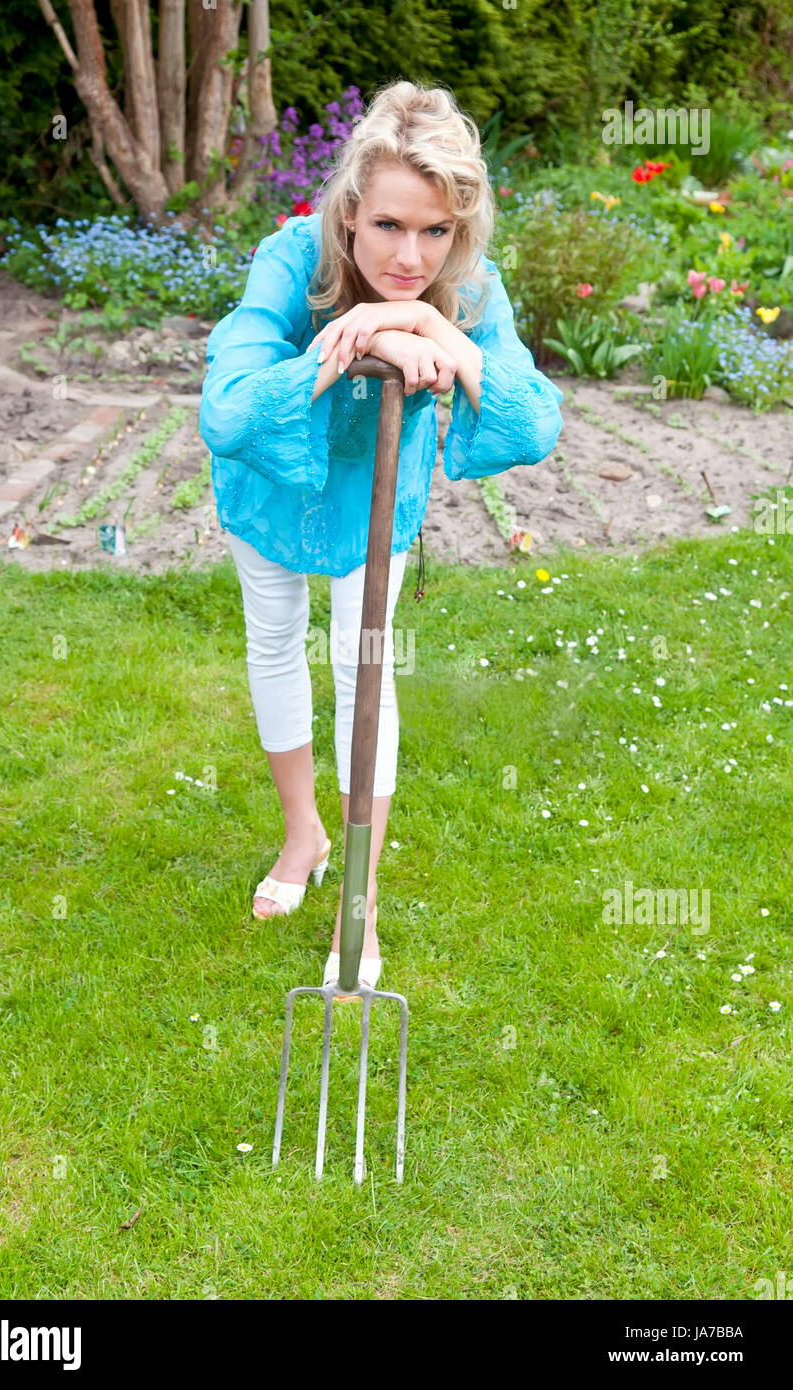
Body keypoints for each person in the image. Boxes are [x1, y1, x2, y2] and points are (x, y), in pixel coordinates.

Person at [199, 79, 564, 992]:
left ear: (460, 228)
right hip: (272, 487)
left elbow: (532, 422)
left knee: (365, 672)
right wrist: (350, 338)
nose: (411, 253)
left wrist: (419, 320)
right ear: (351, 210)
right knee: (275, 644)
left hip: (376, 498)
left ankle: (355, 904)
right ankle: (302, 836)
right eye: (390, 227)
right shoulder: (290, 258)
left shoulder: (469, 286)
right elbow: (231, 408)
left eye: (434, 231)